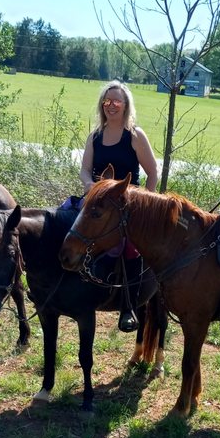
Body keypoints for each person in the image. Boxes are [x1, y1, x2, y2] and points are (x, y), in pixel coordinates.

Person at [80, 81, 159, 331]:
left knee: (130, 248)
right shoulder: (95, 136)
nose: (111, 106)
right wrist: (91, 186)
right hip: (98, 201)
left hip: (127, 205)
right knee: (68, 226)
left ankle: (128, 307)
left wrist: (146, 201)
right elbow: (84, 170)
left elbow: (153, 171)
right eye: (107, 101)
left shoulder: (134, 135)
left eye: (116, 101)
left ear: (125, 106)